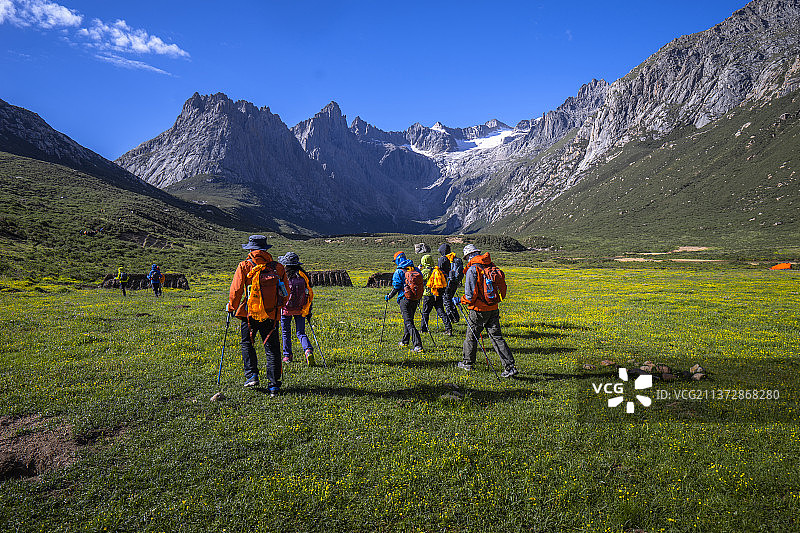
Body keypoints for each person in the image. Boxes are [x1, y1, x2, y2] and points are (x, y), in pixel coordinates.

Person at [226, 235, 289, 396]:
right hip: (271, 313)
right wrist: (278, 306)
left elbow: (236, 290)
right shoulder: (278, 268)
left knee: (247, 343)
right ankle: (274, 385)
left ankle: (252, 375)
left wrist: (231, 306)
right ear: (266, 250)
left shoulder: (244, 266)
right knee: (272, 349)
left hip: (249, 314)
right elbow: (285, 293)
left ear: (250, 249)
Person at [456, 244, 518, 378]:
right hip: (493, 307)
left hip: (478, 310)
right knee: (497, 337)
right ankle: (510, 367)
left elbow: (470, 296)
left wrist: (459, 300)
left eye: (467, 258)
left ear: (469, 256)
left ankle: (467, 363)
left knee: (471, 337)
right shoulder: (490, 266)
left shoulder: (473, 269)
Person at [278, 252, 315, 366]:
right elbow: (309, 292)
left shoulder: (284, 275)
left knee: (286, 332)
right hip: (300, 308)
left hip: (286, 309)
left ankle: (287, 355)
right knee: (300, 332)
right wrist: (308, 309)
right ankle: (308, 350)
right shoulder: (302, 275)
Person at [385, 251, 424, 352]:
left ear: (397, 260)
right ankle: (405, 341)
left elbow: (397, 287)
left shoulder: (399, 271)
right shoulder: (415, 269)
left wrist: (389, 296)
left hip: (404, 299)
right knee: (409, 320)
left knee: (408, 322)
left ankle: (418, 345)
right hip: (415, 298)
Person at [419, 254, 452, 336]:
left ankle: (424, 329)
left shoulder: (424, 272)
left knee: (425, 312)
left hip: (428, 295)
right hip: (437, 294)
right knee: (441, 311)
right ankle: (448, 328)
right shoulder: (437, 270)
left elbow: (419, 281)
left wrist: (418, 270)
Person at [441, 244, 464, 324]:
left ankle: (452, 318)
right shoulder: (455, 258)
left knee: (446, 300)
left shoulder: (444, 259)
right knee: (450, 299)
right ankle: (455, 317)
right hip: (455, 283)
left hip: (448, 283)